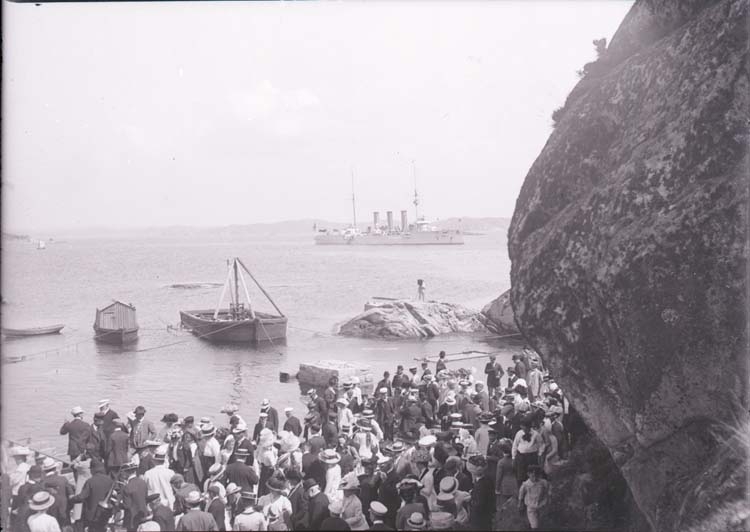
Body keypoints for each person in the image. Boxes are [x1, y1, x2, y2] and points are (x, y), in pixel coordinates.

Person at [69, 461, 113, 532]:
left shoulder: (90, 481)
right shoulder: (109, 480)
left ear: (93, 469)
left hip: (92, 515)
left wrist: (72, 499)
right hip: (105, 513)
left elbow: (81, 497)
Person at [40, 458, 72, 528]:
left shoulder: (42, 482)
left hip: (50, 512)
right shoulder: (63, 479)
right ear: (55, 468)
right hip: (64, 511)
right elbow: (71, 495)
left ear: (45, 471)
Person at [143, 445, 176, 510]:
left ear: (154, 460)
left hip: (154, 504)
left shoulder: (148, 474)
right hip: (169, 503)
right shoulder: (171, 473)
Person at [518, 465, 550, 530]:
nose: (535, 478)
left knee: (541, 522)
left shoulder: (543, 483)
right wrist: (520, 503)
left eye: (537, 476)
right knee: (535, 526)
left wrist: (548, 498)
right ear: (528, 474)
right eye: (532, 476)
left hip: (542, 505)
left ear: (539, 475)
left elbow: (548, 491)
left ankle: (530, 525)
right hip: (531, 506)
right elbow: (521, 494)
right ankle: (532, 526)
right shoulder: (526, 484)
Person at [122, 463, 148, 530]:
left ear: (126, 473)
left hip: (131, 519)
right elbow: (145, 498)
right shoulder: (143, 483)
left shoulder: (127, 487)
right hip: (143, 515)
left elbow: (126, 505)